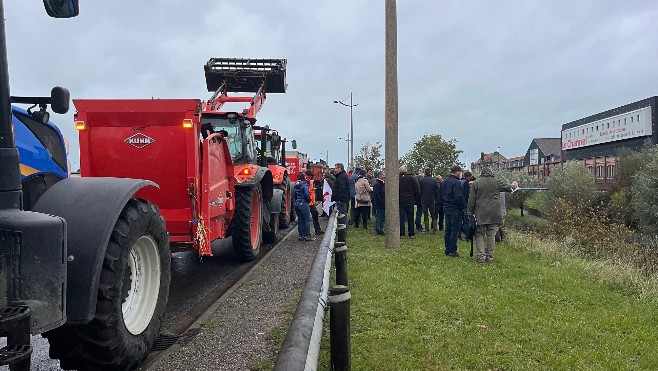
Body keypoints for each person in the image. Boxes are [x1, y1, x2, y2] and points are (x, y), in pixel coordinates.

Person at [467, 167, 517, 262]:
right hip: (494, 213)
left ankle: (481, 257)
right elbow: (510, 188)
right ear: (491, 173)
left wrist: (469, 212)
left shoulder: (476, 183)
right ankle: (489, 257)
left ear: (481, 173)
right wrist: (514, 185)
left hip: (480, 212)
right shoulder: (496, 182)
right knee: (491, 235)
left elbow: (471, 199)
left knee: (479, 234)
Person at [441, 165, 464, 257]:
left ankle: (447, 249)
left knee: (448, 229)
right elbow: (458, 197)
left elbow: (440, 194)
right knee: (454, 229)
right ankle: (452, 250)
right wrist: (461, 207)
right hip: (455, 208)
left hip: (446, 207)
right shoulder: (456, 183)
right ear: (457, 172)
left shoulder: (444, 182)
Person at [399, 166, 420, 238]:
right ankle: (411, 233)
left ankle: (402, 234)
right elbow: (417, 189)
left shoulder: (397, 178)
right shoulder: (412, 178)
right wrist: (415, 199)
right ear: (406, 170)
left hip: (400, 200)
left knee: (401, 217)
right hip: (410, 199)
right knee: (410, 217)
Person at [294, 171, 314, 241]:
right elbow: (306, 194)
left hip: (297, 204)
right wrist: (309, 200)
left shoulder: (296, 185)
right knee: (306, 220)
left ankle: (301, 235)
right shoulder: (304, 185)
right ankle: (307, 236)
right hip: (303, 203)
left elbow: (295, 195)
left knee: (300, 220)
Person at [418, 168, 438, 234]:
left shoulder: (421, 180)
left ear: (424, 172)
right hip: (432, 199)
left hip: (424, 199)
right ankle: (434, 229)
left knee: (425, 215)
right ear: (430, 172)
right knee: (433, 215)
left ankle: (427, 229)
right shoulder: (434, 180)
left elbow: (419, 190)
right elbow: (436, 190)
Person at [305, 169, 324, 235]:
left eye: (311, 177)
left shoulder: (310, 182)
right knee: (309, 218)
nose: (310, 178)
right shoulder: (306, 183)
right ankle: (308, 233)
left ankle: (317, 230)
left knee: (315, 215)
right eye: (309, 177)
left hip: (311, 202)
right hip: (308, 202)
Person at [459, 171, 473, 240]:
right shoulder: (466, 183)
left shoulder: (458, 182)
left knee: (459, 219)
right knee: (466, 220)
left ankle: (459, 234)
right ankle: (467, 235)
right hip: (465, 203)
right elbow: (466, 194)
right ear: (468, 177)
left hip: (458, 204)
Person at [372, 170, 386, 235]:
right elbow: (377, 195)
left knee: (382, 217)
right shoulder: (377, 184)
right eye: (383, 174)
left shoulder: (380, 183)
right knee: (379, 217)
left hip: (381, 203)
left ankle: (380, 228)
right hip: (379, 204)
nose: (384, 176)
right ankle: (378, 229)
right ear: (380, 176)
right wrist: (382, 201)